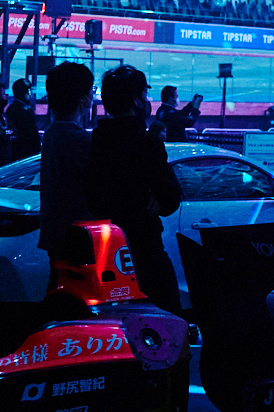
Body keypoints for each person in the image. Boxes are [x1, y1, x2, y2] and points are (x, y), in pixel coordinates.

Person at [86, 65, 182, 308]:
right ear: (136, 100)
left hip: (105, 252)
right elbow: (171, 197)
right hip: (145, 248)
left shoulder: (96, 142)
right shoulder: (147, 143)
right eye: (144, 95)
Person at [37, 61, 95, 276]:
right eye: (91, 90)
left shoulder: (52, 132)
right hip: (78, 236)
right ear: (82, 99)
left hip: (56, 234)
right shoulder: (79, 139)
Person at [6, 78, 41, 163]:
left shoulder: (12, 108)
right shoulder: (23, 110)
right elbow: (30, 133)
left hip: (17, 151)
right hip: (26, 152)